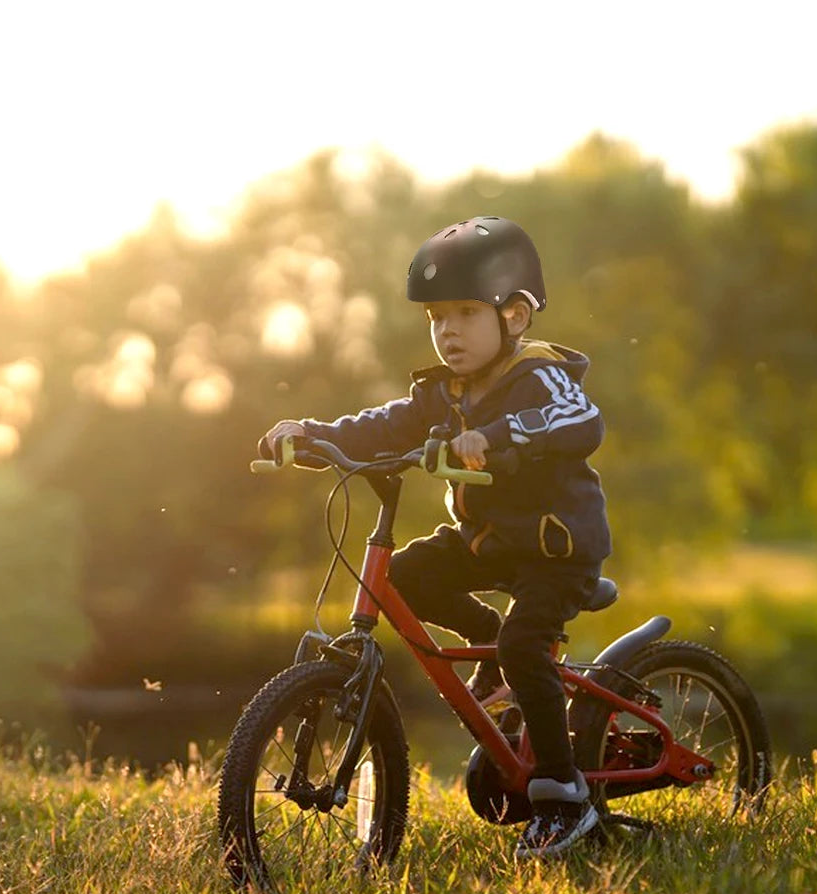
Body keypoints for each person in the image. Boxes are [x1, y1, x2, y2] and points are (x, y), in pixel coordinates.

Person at [259, 216, 612, 858]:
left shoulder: (539, 374)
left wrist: (497, 436)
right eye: (437, 317)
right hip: (487, 544)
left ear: (515, 316)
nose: (447, 330)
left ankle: (564, 797)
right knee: (404, 579)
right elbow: (384, 424)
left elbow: (579, 419)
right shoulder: (443, 391)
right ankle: (485, 641)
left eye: (465, 313)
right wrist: (311, 433)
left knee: (526, 647)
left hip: (556, 550)